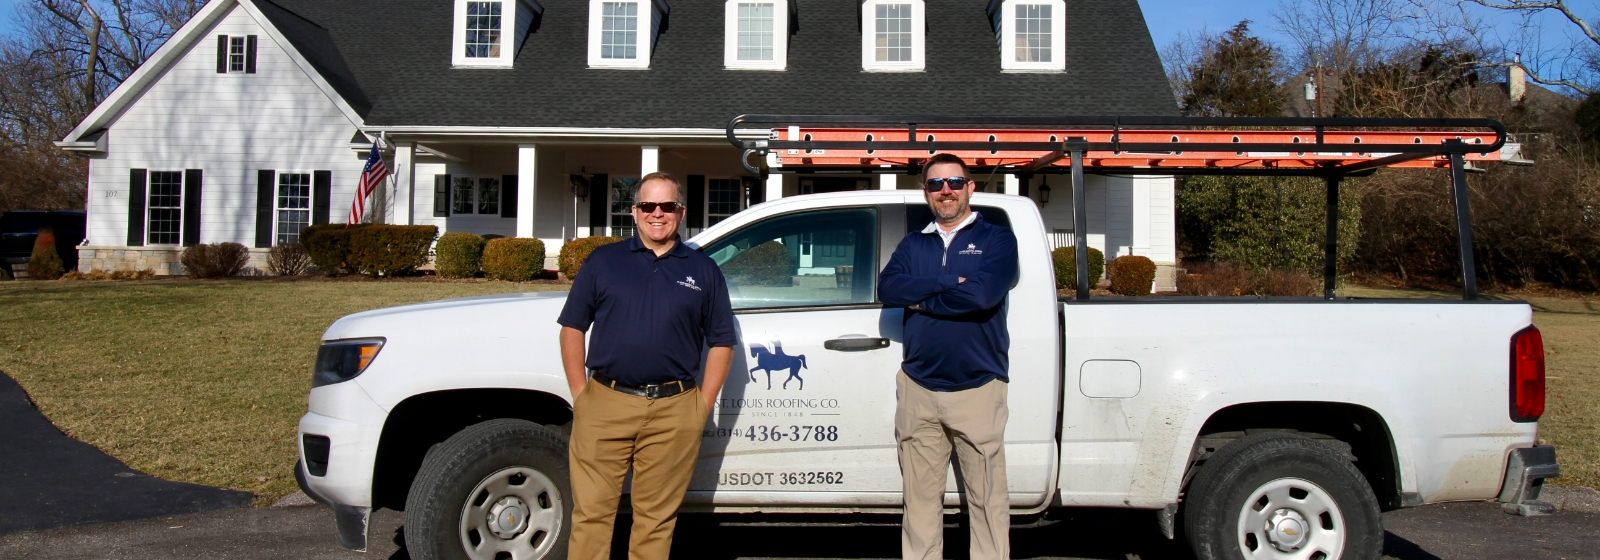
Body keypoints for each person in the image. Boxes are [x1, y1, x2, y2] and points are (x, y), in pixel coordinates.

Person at [556, 171, 736, 560]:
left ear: (681, 212)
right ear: (634, 212)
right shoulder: (603, 262)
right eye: (649, 206)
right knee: (591, 515)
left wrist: (701, 406)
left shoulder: (703, 270)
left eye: (667, 206)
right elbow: (572, 327)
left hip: (674, 409)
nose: (658, 214)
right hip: (605, 402)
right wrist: (579, 395)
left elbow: (722, 342)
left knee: (655, 522)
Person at [878, 153, 1020, 560]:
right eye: (936, 184)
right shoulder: (913, 243)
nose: (946, 191)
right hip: (919, 387)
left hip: (978, 387)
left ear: (970, 188)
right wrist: (944, 282)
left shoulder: (997, 239)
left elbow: (981, 295)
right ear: (925, 192)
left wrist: (921, 300)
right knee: (919, 504)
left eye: (955, 183)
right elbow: (888, 288)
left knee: (987, 503)